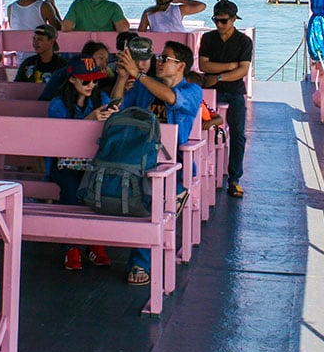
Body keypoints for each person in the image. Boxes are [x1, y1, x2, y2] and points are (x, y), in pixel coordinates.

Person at [115, 40, 203, 286]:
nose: (160, 61)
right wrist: (122, 78)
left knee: (152, 196)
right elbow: (116, 106)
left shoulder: (192, 90)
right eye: (161, 57)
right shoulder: (144, 88)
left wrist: (139, 74)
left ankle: (140, 262)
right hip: (137, 158)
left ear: (181, 66)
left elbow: (172, 98)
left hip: (173, 164)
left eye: (166, 58)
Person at [46, 57, 117, 271]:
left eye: (94, 81)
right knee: (71, 188)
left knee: (102, 188)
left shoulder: (101, 98)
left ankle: (95, 241)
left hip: (95, 164)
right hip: (64, 164)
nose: (91, 86)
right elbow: (59, 142)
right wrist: (91, 119)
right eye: (85, 82)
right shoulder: (58, 104)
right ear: (72, 80)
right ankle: (71, 245)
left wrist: (110, 117)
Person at [198, 0, 253, 199]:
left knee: (238, 134)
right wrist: (230, 66)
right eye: (216, 20)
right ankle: (201, 167)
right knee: (201, 128)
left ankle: (234, 179)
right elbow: (204, 66)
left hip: (234, 90)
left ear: (233, 19)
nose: (219, 25)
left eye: (223, 21)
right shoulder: (208, 38)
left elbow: (243, 70)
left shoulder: (244, 41)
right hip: (211, 90)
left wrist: (219, 75)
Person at [38, 40, 114, 101]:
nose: (104, 64)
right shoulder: (63, 74)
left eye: (94, 81)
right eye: (100, 58)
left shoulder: (102, 91)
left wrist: (112, 77)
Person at [138, 0, 205, 32]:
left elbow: (141, 33)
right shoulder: (178, 10)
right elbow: (202, 6)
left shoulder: (148, 13)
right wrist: (180, 0)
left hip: (158, 47)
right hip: (179, 46)